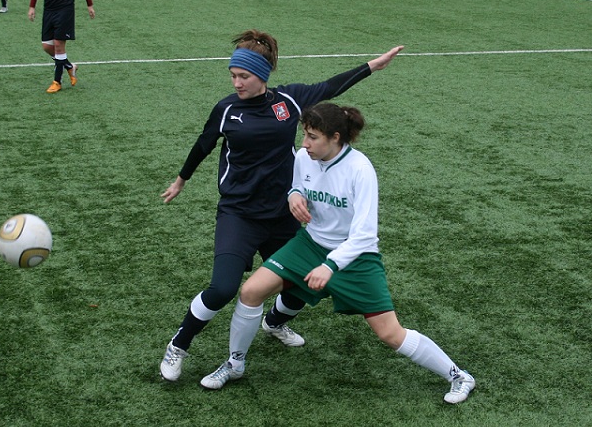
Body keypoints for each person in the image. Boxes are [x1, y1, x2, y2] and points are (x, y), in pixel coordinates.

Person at [158, 28, 404, 383]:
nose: (237, 83)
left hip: (283, 212)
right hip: (239, 214)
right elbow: (203, 144)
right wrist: (182, 179)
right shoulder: (227, 109)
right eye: (233, 76)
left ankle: (275, 322)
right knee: (224, 288)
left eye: (243, 76)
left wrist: (372, 66)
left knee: (302, 283)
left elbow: (331, 87)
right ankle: (179, 345)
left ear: (262, 75)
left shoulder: (289, 101)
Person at [199, 102, 477, 404]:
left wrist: (330, 265)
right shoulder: (304, 158)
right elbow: (297, 186)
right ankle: (234, 364)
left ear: (335, 137)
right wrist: (294, 196)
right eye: (304, 134)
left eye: (313, 137)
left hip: (356, 256)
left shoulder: (360, 169)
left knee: (390, 334)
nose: (304, 144)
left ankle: (459, 375)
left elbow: (365, 235)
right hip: (309, 245)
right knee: (251, 291)